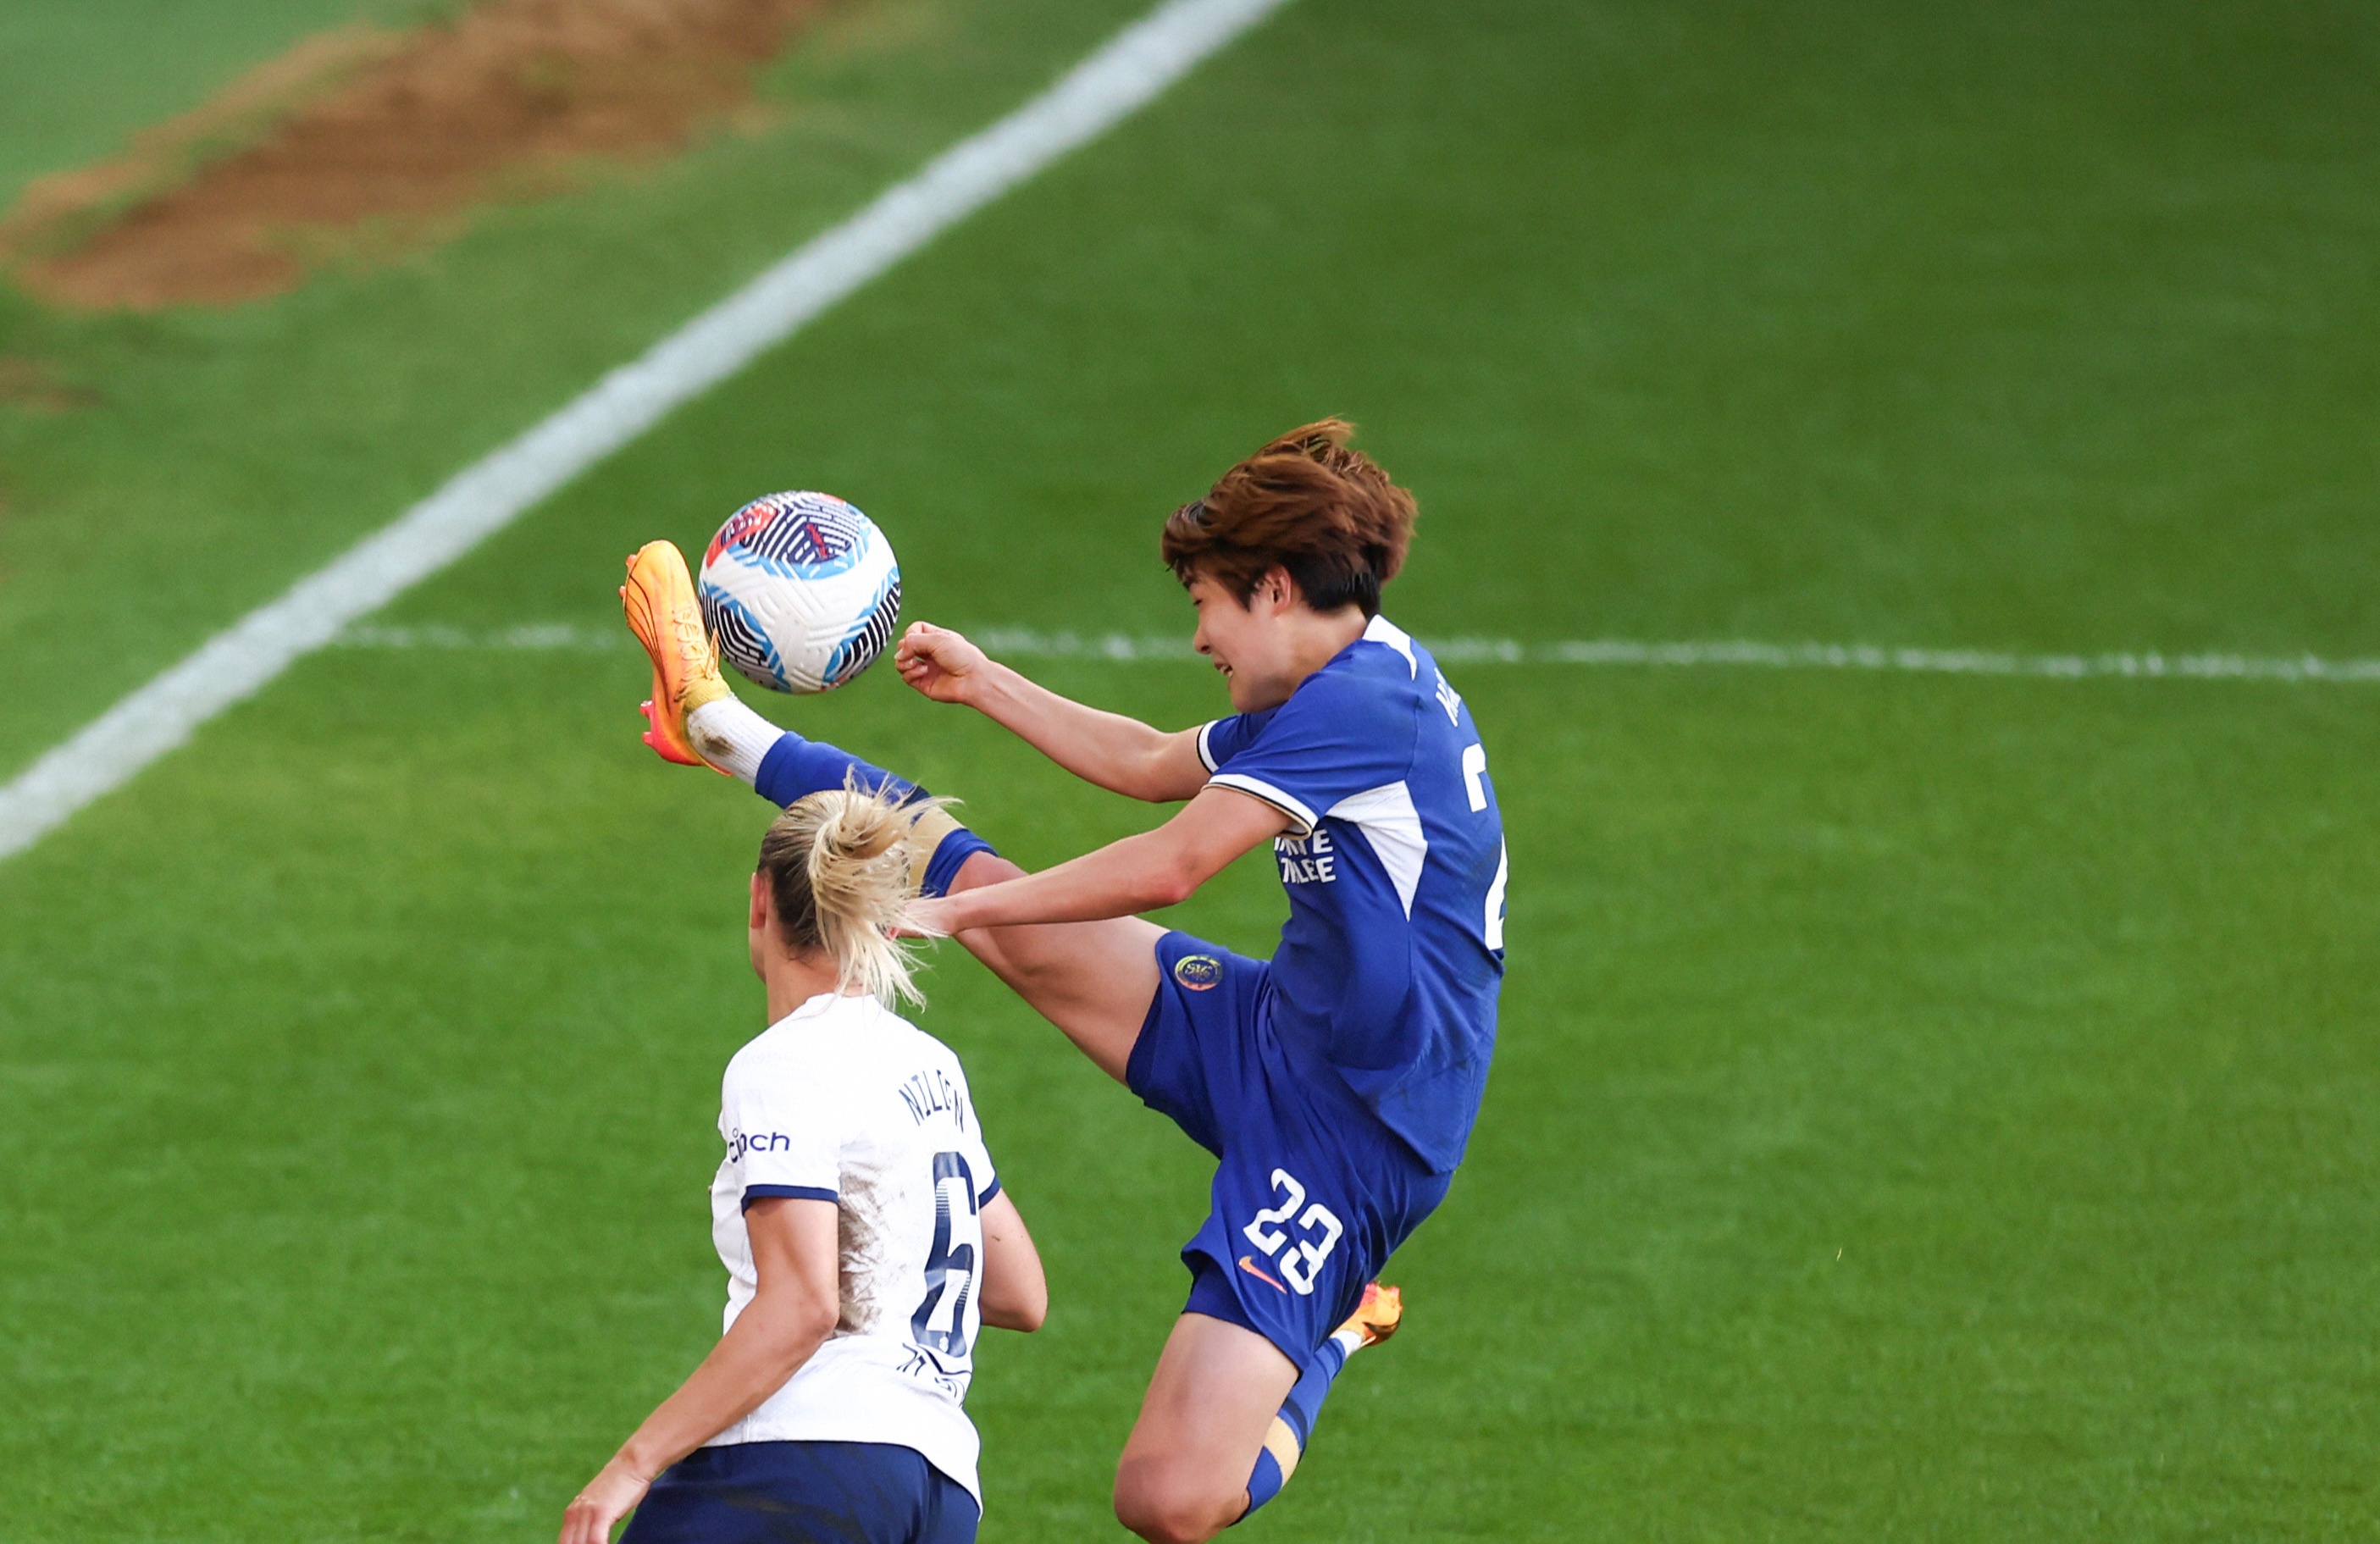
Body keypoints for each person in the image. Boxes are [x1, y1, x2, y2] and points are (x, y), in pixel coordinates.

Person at [619, 419, 1504, 1544]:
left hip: (1358, 1133)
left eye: (1206, 605)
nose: (1199, 637)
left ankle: (1337, 1329)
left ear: (1273, 589)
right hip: (1279, 1030)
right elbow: (1146, 764)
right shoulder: (1339, 675)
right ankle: (723, 725)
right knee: (992, 903)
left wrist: (963, 912)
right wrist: (989, 683)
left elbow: (1177, 863)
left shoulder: (1362, 706)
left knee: (1168, 1498)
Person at [560, 784, 1048, 1544]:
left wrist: (633, 1462)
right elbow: (1020, 1291)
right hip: (941, 1492)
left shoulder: (782, 1064)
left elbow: (804, 1305)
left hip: (800, 1464)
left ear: (759, 899)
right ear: (884, 922)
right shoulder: (933, 1068)